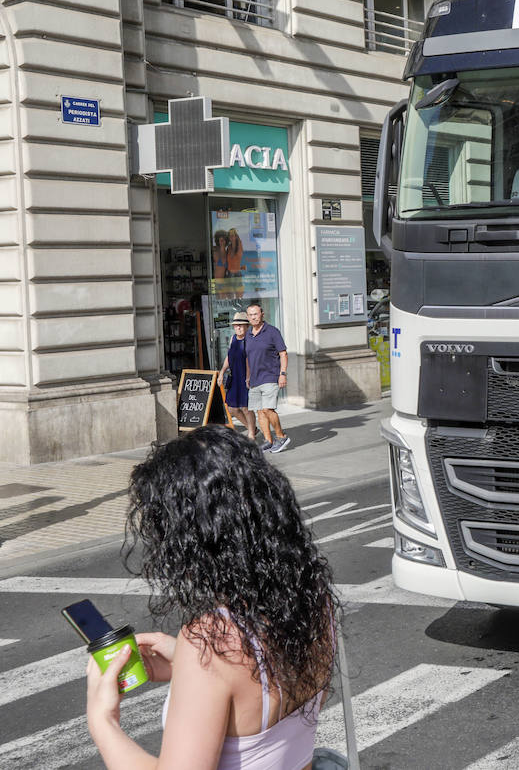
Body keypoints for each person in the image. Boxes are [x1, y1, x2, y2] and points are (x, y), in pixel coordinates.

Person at [85, 426, 338, 769]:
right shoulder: (312, 596)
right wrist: (183, 666)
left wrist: (103, 722)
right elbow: (265, 687)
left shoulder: (210, 641)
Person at [244, 303, 290, 452]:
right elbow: (248, 358)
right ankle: (268, 440)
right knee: (259, 411)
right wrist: (248, 377)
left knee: (267, 409)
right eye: (250, 315)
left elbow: (283, 353)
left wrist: (282, 374)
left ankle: (281, 437)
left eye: (256, 314)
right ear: (247, 317)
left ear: (262, 314)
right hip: (255, 379)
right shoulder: (248, 335)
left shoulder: (272, 332)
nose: (253, 317)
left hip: (270, 376)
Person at [217, 312, 256, 443]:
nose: (238, 327)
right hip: (235, 377)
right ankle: (252, 428)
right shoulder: (233, 338)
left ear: (246, 326)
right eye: (236, 325)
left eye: (241, 325)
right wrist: (222, 371)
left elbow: (250, 360)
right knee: (232, 408)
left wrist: (249, 378)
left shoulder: (250, 339)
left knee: (245, 407)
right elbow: (229, 356)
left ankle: (251, 434)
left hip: (246, 377)